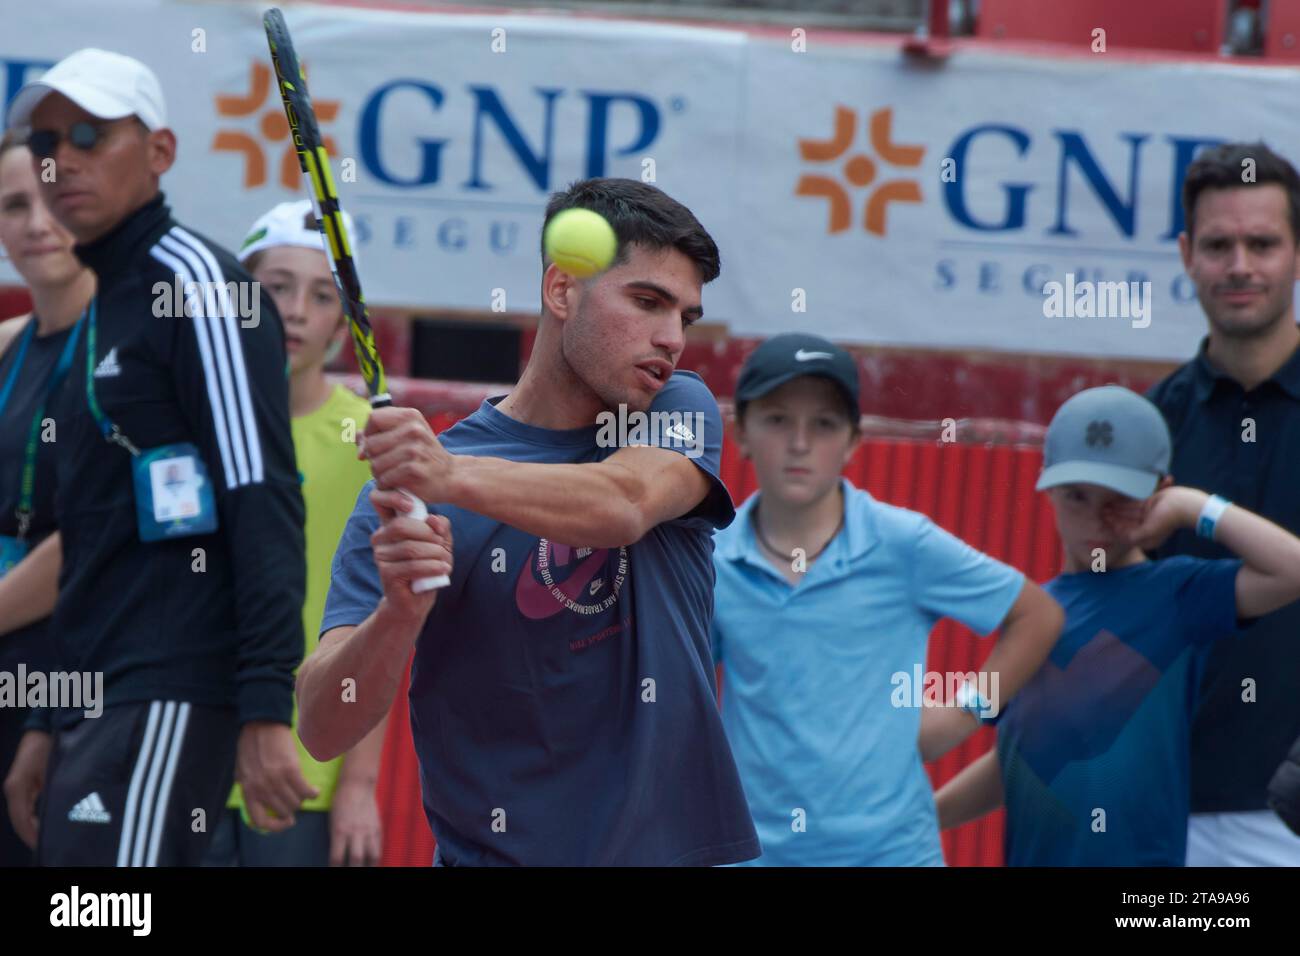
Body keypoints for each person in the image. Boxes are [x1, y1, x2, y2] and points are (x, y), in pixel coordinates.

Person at [297, 177, 760, 866]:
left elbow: (623, 504)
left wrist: (450, 478)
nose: (672, 340)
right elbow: (322, 724)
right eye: (647, 302)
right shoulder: (413, 493)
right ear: (562, 290)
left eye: (686, 317)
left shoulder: (675, 409)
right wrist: (396, 616)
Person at [1, 47, 309, 866]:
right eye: (46, 141)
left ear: (161, 153)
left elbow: (263, 497)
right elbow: (94, 543)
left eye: (92, 135)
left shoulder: (202, 287)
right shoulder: (105, 304)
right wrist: (45, 719)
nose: (60, 159)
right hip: (95, 702)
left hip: (172, 689)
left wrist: (265, 708)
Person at [709, 332, 1063, 866]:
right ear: (741, 434)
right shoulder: (710, 562)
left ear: (853, 442)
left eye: (824, 424)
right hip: (752, 855)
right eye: (777, 419)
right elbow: (672, 695)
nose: (799, 442)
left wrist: (968, 711)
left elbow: (1036, 614)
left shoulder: (904, 543)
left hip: (891, 853)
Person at [935, 386, 1300, 866]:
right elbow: (1022, 758)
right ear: (1046, 488)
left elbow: (1292, 570)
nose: (1095, 520)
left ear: (1159, 493)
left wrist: (1195, 508)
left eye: (1120, 499)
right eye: (1077, 497)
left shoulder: (1177, 594)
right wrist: (922, 813)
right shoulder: (1030, 614)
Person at [203, 201, 385, 866]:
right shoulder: (182, 422)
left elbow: (385, 621)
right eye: (275, 287)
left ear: (344, 319)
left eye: (320, 294)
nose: (296, 311)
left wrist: (360, 784)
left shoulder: (372, 439)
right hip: (183, 761)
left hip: (306, 774)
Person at [1146, 141, 1300, 865]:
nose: (1240, 265)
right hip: (1167, 813)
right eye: (1218, 244)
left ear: (1297, 251)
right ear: (1186, 253)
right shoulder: (1150, 427)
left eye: (1262, 243)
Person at [0, 128, 95, 864]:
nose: (36, 222)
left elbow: (103, 536)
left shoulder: (136, 352)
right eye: (13, 204)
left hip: (77, 676)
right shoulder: (5, 344)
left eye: (52, 198)